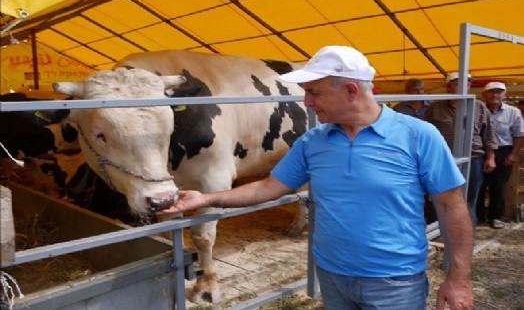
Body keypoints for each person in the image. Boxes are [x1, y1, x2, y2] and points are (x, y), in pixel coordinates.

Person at [160, 46, 474, 310]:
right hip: (332, 277)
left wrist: (459, 279)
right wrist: (206, 198)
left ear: (351, 91)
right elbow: (269, 187)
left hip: (395, 283)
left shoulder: (419, 136)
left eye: (313, 92)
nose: (306, 102)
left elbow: (451, 207)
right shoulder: (313, 142)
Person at [423, 72, 497, 226]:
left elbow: (488, 133)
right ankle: (438, 227)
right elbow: (426, 133)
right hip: (443, 159)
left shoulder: (479, 106)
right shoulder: (436, 107)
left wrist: (491, 157)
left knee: (470, 195)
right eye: (458, 83)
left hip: (473, 158)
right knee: (439, 193)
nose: (464, 87)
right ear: (449, 87)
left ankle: (466, 227)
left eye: (467, 83)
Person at [477, 82, 524, 229]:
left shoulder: (513, 112)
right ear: (484, 94)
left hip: (503, 150)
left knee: (498, 185)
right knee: (478, 184)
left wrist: (514, 154)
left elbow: (519, 134)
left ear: (505, 95)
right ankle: (477, 216)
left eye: (499, 92)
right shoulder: (477, 109)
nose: (495, 95)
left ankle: (495, 216)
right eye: (491, 92)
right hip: (479, 150)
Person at [393, 78, 436, 224]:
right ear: (407, 91)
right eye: (415, 90)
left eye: (422, 89)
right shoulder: (398, 108)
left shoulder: (433, 106)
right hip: (407, 150)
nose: (419, 92)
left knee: (430, 184)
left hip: (427, 149)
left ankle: (431, 219)